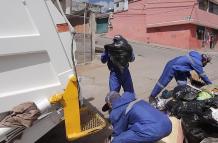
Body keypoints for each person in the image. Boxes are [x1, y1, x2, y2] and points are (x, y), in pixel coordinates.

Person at [102, 91, 172, 143]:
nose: (110, 109)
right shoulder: (136, 101)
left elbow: (118, 133)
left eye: (109, 107)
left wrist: (110, 139)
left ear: (110, 104)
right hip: (168, 124)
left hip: (154, 131)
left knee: (117, 140)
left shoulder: (116, 112)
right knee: (133, 128)